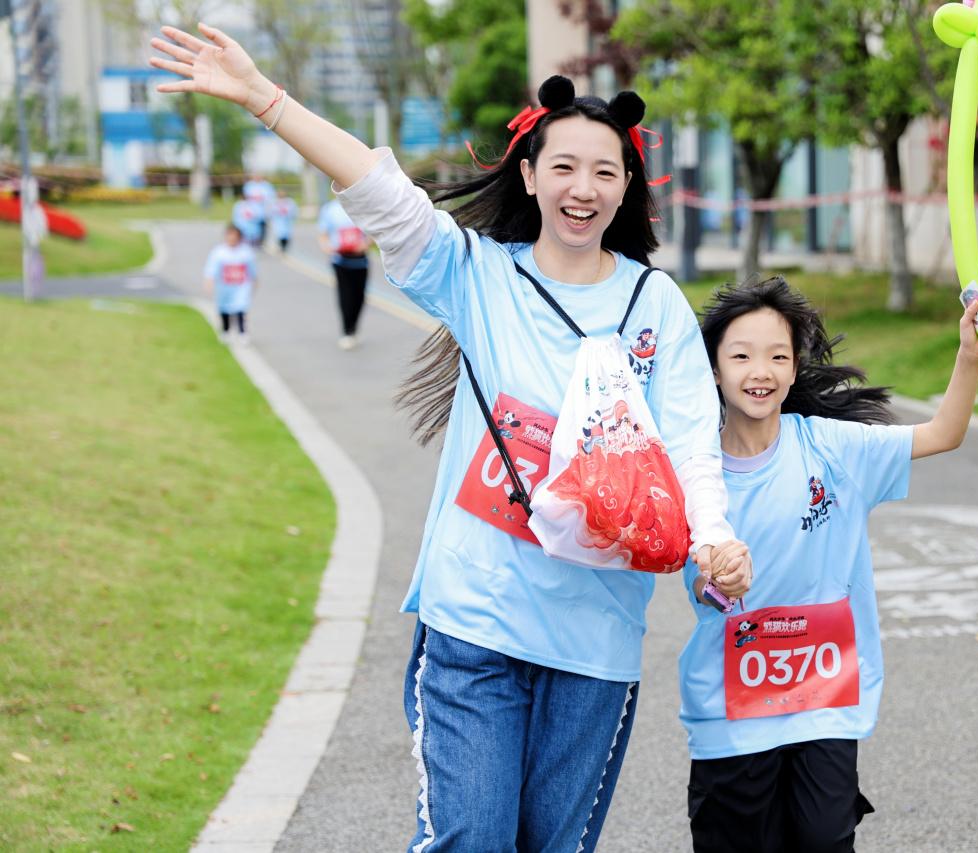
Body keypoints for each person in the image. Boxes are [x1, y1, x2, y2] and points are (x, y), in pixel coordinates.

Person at [150, 23, 747, 853]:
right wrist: (265, 99)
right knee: (470, 838)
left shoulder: (660, 307)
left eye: (605, 171)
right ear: (530, 174)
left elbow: (690, 445)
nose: (583, 187)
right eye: (564, 166)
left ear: (627, 188)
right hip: (477, 619)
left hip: (596, 639)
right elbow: (380, 190)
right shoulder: (477, 276)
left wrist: (713, 537)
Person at [679, 276, 978, 853]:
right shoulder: (694, 471)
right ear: (715, 369)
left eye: (778, 356)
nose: (761, 371)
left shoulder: (832, 448)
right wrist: (719, 581)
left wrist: (970, 353)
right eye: (742, 356)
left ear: (795, 369)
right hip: (732, 712)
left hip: (823, 700)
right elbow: (702, 588)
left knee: (825, 839)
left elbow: (943, 433)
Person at [317, 195, 370, 350]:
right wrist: (326, 247)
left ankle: (354, 327)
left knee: (359, 296)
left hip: (360, 260)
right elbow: (323, 233)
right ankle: (347, 331)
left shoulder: (362, 206)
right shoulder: (330, 209)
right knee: (345, 294)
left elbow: (373, 231)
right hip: (340, 260)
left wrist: (365, 244)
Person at [203, 222, 257, 344]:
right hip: (224, 287)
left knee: (241, 308)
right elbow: (211, 270)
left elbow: (252, 271)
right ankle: (226, 330)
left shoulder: (246, 252)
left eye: (235, 236)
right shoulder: (219, 252)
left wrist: (254, 284)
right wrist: (209, 282)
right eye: (229, 235)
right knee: (224, 309)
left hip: (241, 287)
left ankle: (242, 332)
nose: (232, 238)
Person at [242, 172, 276, 243]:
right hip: (252, 212)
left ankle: (261, 241)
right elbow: (245, 197)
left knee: (263, 229)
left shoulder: (266, 186)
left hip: (263, 212)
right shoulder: (249, 185)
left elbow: (271, 198)